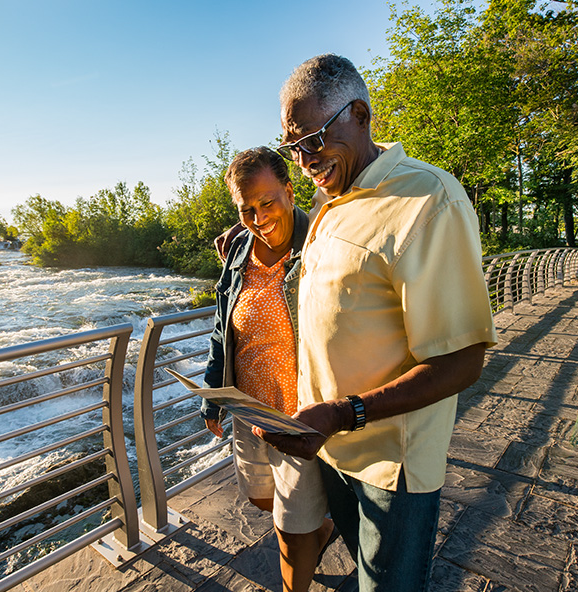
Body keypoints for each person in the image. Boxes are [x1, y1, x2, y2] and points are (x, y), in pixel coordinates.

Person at [256, 54, 498, 592]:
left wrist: (344, 413)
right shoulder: (329, 199)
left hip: (391, 466)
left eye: (313, 138)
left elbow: (461, 361)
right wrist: (255, 230)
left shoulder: (429, 201)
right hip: (328, 445)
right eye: (292, 145)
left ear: (360, 115)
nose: (303, 158)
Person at [200, 146, 335, 592]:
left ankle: (305, 544)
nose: (258, 217)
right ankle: (320, 526)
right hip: (247, 407)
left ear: (290, 192)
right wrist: (213, 393)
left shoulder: (320, 236)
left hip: (299, 415)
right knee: (262, 500)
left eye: (267, 203)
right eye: (246, 209)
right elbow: (223, 325)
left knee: (288, 530)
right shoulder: (237, 246)